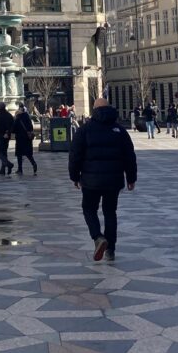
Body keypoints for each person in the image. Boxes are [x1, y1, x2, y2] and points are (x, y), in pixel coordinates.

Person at [69, 97, 137, 262]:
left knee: (89, 209)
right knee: (110, 212)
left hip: (90, 180)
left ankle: (98, 237)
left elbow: (75, 155)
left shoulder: (85, 130)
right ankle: (110, 249)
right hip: (113, 180)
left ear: (94, 110)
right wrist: (131, 178)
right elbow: (129, 156)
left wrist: (74, 176)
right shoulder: (119, 130)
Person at [13, 103, 37, 175]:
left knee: (19, 154)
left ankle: (20, 169)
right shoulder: (28, 117)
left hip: (20, 138)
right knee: (28, 153)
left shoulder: (18, 118)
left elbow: (14, 129)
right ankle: (33, 163)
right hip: (27, 138)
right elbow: (31, 127)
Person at [0, 103, 15, 175]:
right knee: (4, 152)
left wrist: (1, 134)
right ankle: (2, 170)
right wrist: (7, 133)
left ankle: (9, 164)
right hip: (7, 137)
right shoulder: (9, 115)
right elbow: (12, 125)